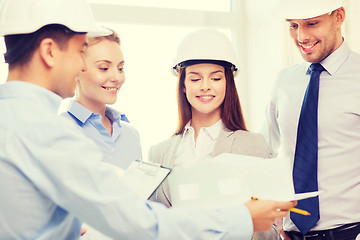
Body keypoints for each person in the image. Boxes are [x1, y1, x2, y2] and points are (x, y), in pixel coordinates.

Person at [0, 0, 297, 239]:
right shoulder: (49, 132)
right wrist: (242, 217)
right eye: (81, 52)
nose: (81, 64)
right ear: (50, 51)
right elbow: (140, 223)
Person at [148, 28, 281, 240]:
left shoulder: (252, 146)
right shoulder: (158, 153)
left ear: (228, 83)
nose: (205, 87)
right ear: (183, 85)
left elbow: (271, 232)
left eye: (216, 78)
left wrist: (238, 220)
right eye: (195, 79)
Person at [264, 0, 360, 239]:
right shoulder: (284, 81)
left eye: (312, 23)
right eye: (293, 25)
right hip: (291, 233)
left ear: (338, 16)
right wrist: (277, 220)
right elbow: (267, 152)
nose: (301, 36)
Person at [61, 29, 142, 170]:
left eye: (120, 68)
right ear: (76, 69)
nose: (117, 78)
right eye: (104, 68)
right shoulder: (59, 131)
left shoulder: (131, 135)